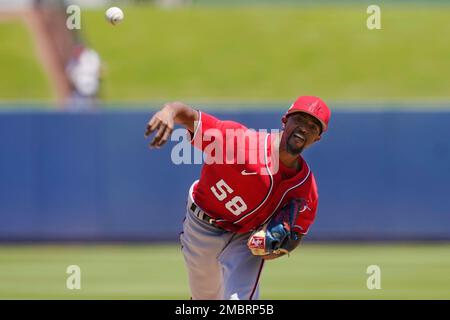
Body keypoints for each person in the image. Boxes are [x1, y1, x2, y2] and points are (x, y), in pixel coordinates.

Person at [144, 96, 331, 300]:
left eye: (313, 126)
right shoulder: (238, 140)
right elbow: (187, 115)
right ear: (285, 120)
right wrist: (169, 112)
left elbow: (295, 235)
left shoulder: (305, 187)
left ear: (317, 138)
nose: (304, 128)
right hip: (201, 226)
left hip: (246, 238)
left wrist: (271, 249)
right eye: (300, 119)